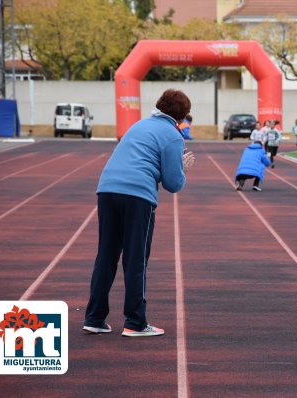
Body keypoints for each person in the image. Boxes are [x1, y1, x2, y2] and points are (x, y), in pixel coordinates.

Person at [84, 89, 195, 337]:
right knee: (136, 260)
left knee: (106, 256)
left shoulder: (139, 125)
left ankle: (94, 317)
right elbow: (173, 183)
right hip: (137, 196)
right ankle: (135, 322)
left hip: (107, 190)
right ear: (182, 117)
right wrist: (183, 168)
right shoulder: (174, 136)